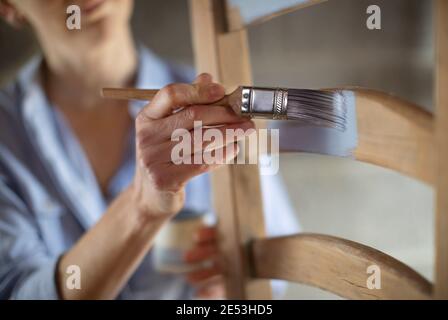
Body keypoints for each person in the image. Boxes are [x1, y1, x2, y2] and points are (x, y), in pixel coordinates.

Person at [0, 0, 299, 299]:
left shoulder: (223, 104)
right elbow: (17, 290)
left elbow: (274, 267)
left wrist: (231, 289)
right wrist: (141, 206)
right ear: (9, 7)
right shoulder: (6, 136)